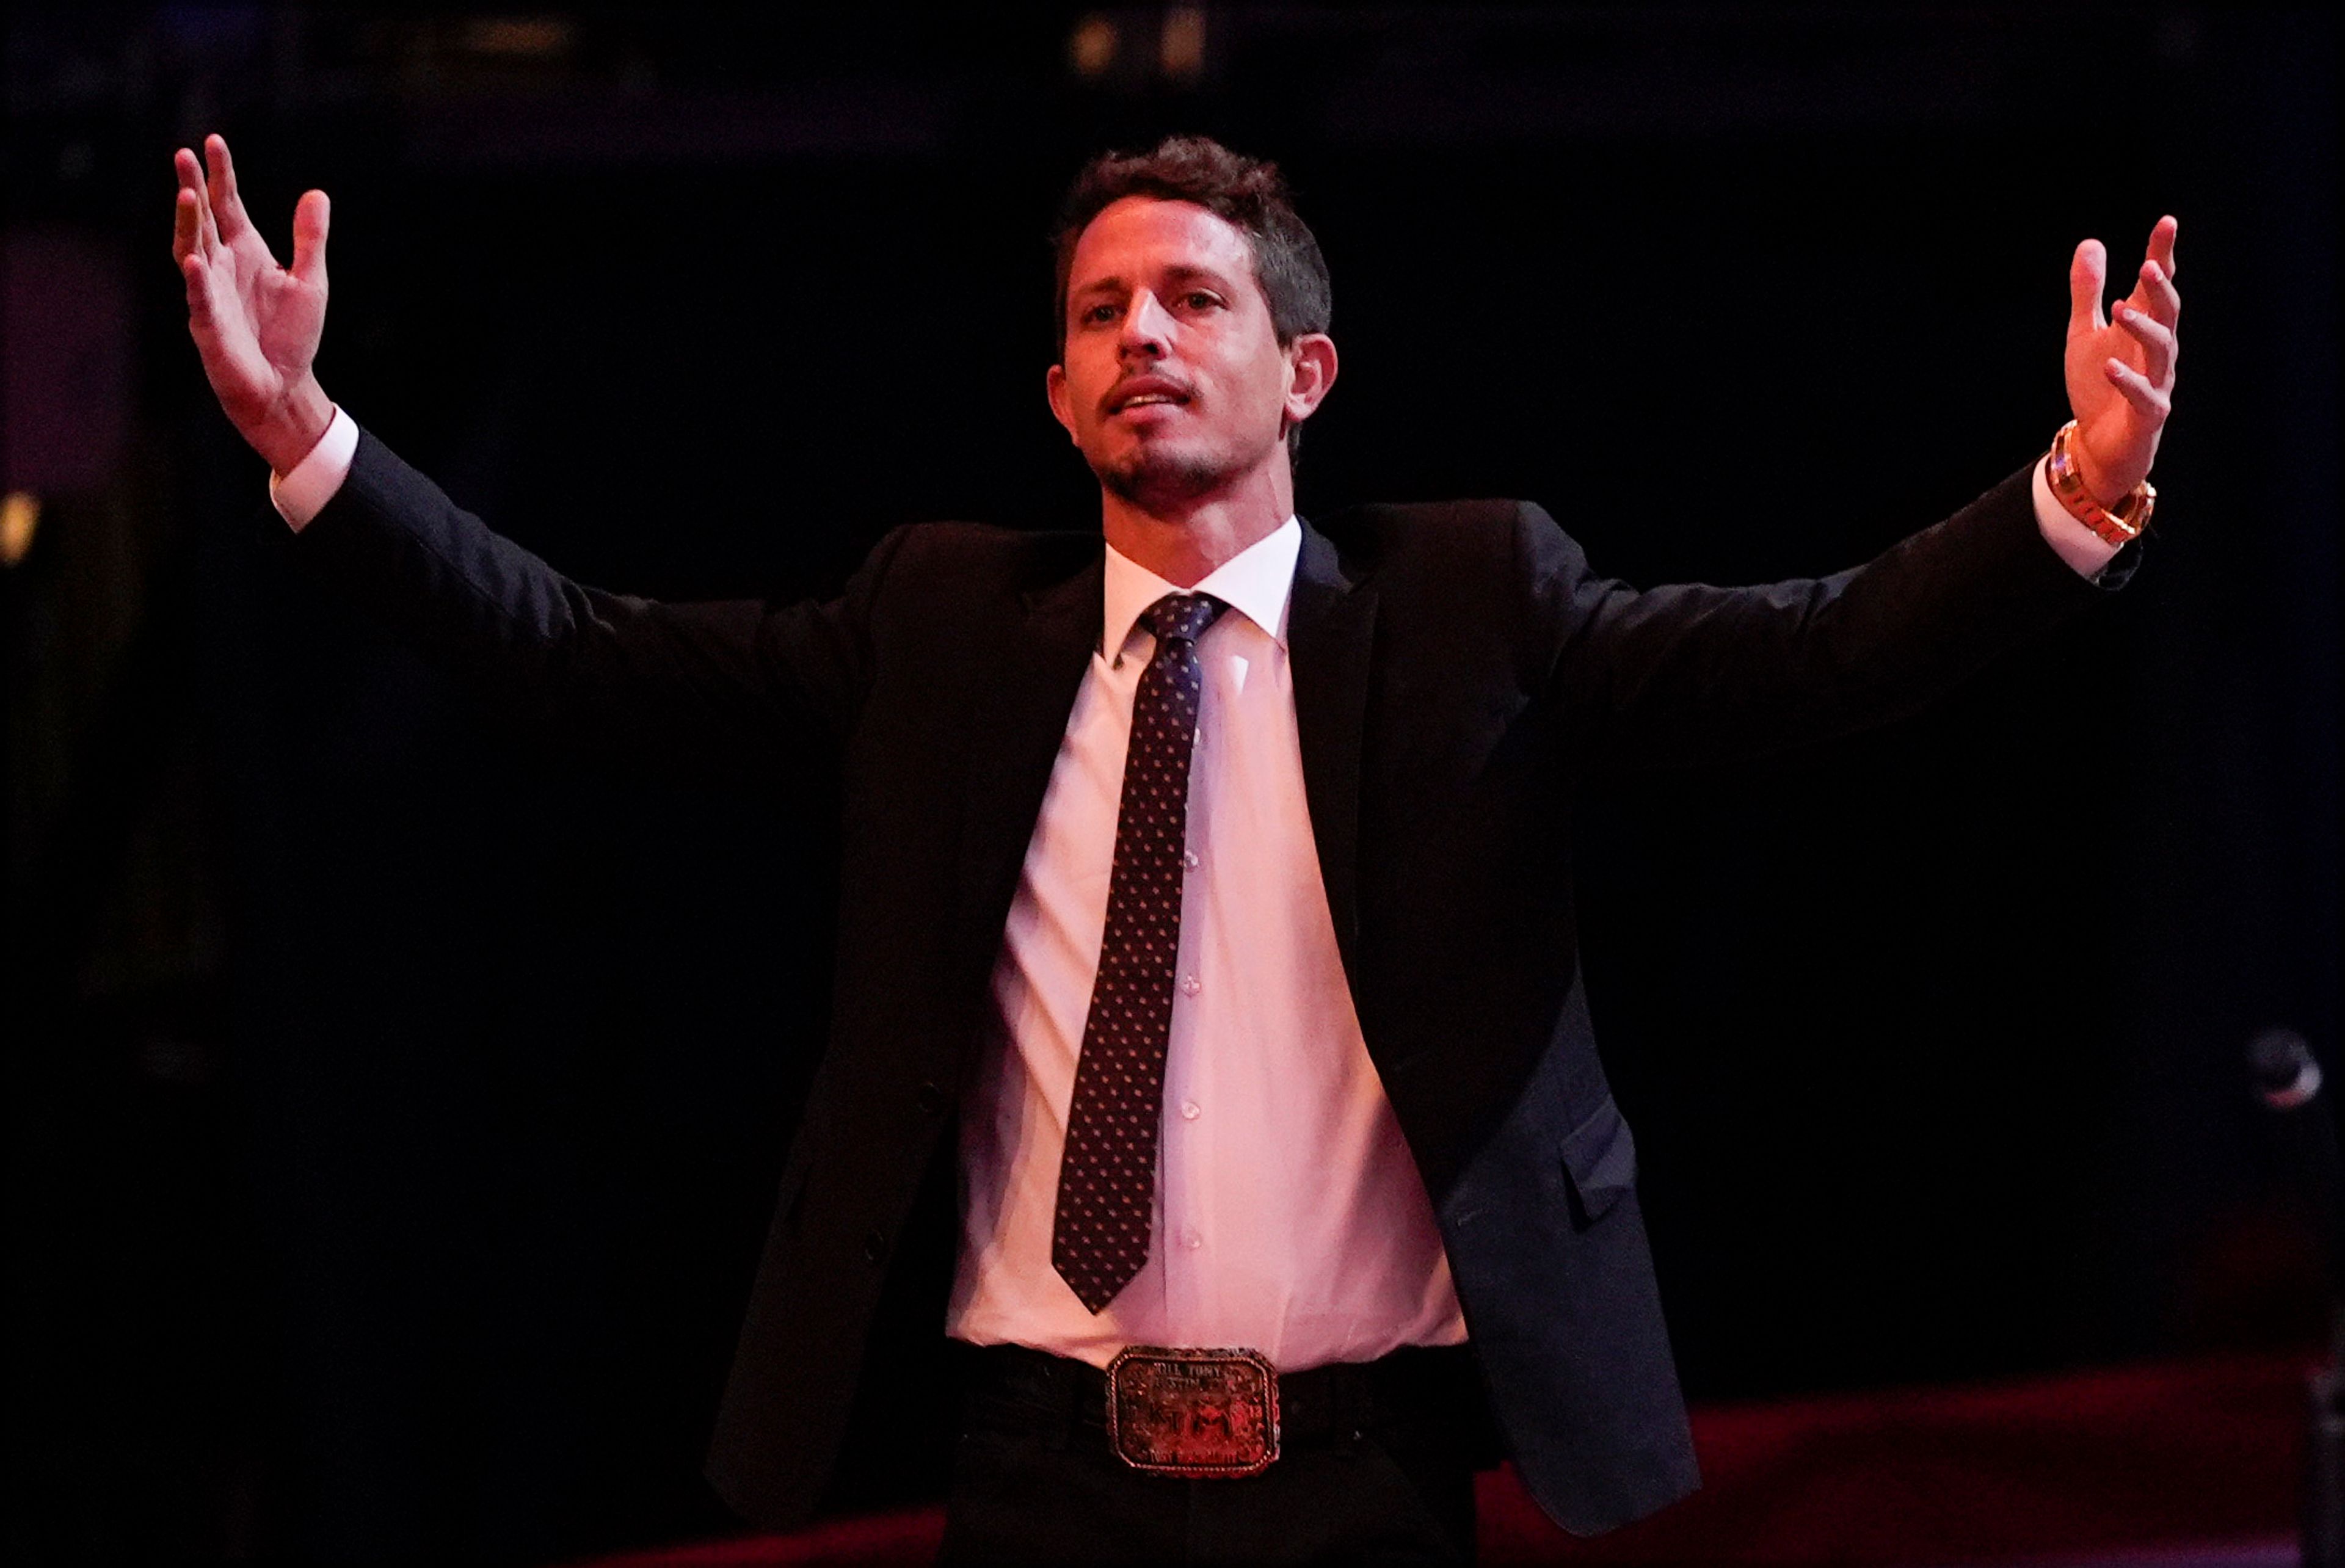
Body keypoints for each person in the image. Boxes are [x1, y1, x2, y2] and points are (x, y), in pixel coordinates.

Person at [170, 131, 2180, 1564]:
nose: (1145, 333)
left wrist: (2068, 500)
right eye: (1103, 310)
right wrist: (308, 446)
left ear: (1300, 374)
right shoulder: (945, 624)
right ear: (1058, 395)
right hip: (1044, 1465)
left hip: (1361, 1470)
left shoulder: (1477, 599)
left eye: (1194, 298)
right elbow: (583, 657)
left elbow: (1811, 657)